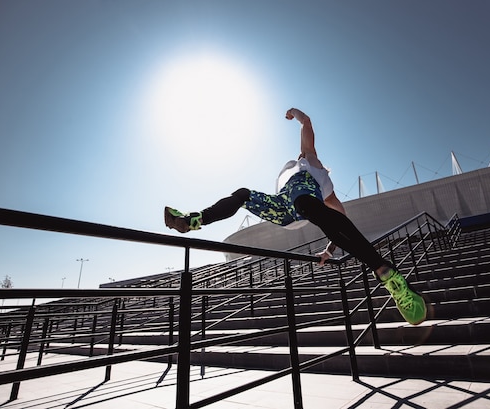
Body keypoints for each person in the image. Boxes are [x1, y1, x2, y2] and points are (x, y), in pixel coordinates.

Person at [164, 108, 427, 325]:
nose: (300, 156)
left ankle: (386, 273)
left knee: (305, 201)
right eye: (301, 155)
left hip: (306, 204)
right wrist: (329, 248)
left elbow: (340, 216)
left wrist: (295, 114)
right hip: (283, 207)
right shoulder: (297, 171)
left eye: (304, 154)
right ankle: (194, 220)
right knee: (243, 194)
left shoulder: (317, 172)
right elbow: (337, 221)